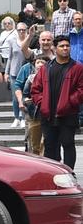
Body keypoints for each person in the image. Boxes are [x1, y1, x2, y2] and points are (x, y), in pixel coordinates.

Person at [31, 36, 83, 169]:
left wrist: (69, 102)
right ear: (55, 48)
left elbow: (81, 89)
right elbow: (36, 89)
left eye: (67, 46)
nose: (65, 48)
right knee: (49, 146)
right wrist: (42, 103)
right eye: (62, 46)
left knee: (68, 144)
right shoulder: (46, 68)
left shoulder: (77, 67)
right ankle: (52, 175)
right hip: (48, 114)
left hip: (68, 114)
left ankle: (69, 174)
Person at [15, 56, 49, 155]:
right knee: (34, 142)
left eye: (42, 62)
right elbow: (25, 94)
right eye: (38, 62)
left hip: (47, 112)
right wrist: (26, 101)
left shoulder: (51, 76)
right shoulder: (30, 78)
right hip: (33, 112)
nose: (40, 64)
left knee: (46, 142)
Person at [5, 22, 30, 128]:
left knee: (25, 96)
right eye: (19, 30)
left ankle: (24, 117)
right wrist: (6, 72)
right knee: (15, 97)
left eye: (23, 30)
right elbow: (9, 57)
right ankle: (16, 117)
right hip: (14, 72)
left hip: (25, 72)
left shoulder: (29, 40)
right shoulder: (11, 41)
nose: (21, 32)